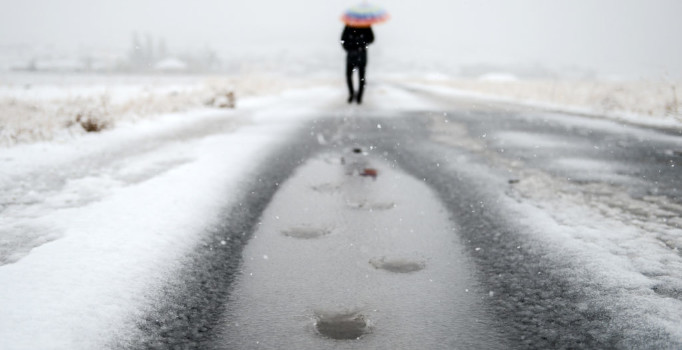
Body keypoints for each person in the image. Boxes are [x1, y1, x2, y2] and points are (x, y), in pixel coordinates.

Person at [341, 25, 374, 104]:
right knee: (355, 76)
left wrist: (351, 47)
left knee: (357, 76)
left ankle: (357, 96)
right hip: (356, 54)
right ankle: (354, 95)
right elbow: (371, 39)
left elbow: (343, 40)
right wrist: (361, 44)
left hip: (357, 54)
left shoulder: (350, 25)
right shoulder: (364, 25)